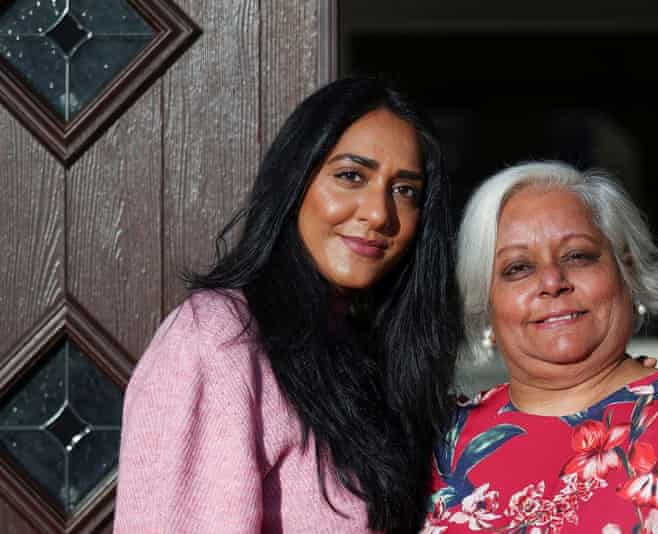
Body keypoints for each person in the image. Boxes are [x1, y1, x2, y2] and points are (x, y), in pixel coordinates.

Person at [114, 78, 461, 533]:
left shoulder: (372, 351)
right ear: (295, 181)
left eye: (405, 190)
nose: (379, 213)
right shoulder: (218, 337)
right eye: (351, 176)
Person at [423, 162, 658, 533]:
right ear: (484, 303)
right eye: (518, 268)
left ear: (628, 271)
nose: (553, 281)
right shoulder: (444, 440)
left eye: (578, 256)